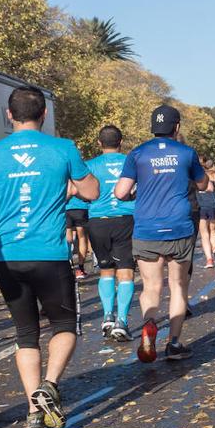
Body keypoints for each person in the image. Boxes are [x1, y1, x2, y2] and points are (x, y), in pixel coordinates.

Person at [0, 86, 98, 428]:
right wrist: (69, 185)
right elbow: (92, 192)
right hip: (50, 255)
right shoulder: (62, 148)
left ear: (8, 116)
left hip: (7, 257)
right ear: (43, 115)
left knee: (26, 335)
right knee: (65, 327)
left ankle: (34, 414)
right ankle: (50, 385)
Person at [114, 104, 208, 361]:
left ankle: (149, 324)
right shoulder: (187, 153)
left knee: (151, 286)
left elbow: (120, 192)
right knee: (178, 286)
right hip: (179, 226)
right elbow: (203, 184)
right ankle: (174, 344)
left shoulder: (137, 154)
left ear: (152, 127)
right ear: (176, 127)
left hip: (147, 228)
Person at [85, 124, 137, 342]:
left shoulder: (90, 165)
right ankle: (122, 321)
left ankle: (107, 316)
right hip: (125, 219)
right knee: (125, 271)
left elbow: (83, 194)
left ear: (99, 143)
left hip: (97, 221)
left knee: (106, 270)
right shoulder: (131, 161)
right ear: (121, 142)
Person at [195, 157, 215, 269]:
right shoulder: (212, 174)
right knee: (213, 230)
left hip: (201, 205)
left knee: (204, 234)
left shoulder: (194, 176)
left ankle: (209, 260)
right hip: (213, 204)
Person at [64, 186, 91, 279]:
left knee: (67, 239)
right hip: (81, 208)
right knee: (82, 238)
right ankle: (81, 269)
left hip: (66, 208)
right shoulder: (81, 175)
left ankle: (69, 265)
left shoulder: (65, 174)